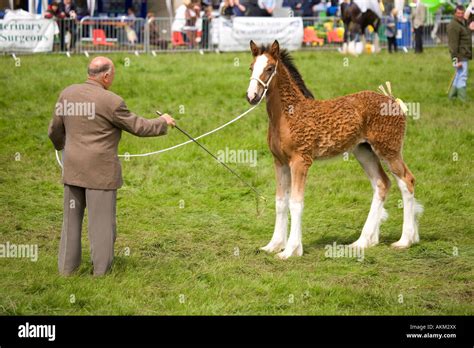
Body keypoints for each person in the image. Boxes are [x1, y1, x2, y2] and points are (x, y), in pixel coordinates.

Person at [48, 57, 176, 276]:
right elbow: (140, 127)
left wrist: (64, 147)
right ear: (106, 76)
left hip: (72, 168)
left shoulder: (66, 94)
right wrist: (163, 121)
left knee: (71, 223)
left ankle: (66, 271)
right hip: (101, 173)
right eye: (113, 74)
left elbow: (54, 131)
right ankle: (101, 273)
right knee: (102, 226)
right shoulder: (112, 101)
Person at [447, 4, 473, 101]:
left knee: (459, 74)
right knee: (463, 76)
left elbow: (464, 37)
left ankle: (452, 96)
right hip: (459, 56)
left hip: (463, 54)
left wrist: (470, 30)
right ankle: (462, 98)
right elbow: (453, 45)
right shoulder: (453, 26)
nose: (460, 15)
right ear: (455, 13)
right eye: (458, 13)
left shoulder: (460, 23)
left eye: (462, 13)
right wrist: (455, 60)